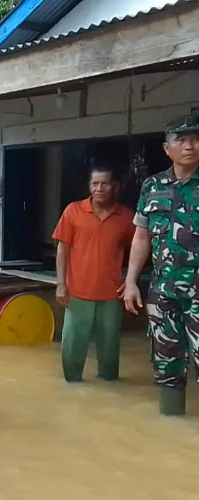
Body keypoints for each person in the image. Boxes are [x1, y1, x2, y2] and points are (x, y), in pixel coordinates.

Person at [124, 115, 199, 416]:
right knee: (166, 360)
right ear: (167, 148)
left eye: (195, 139)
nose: (189, 146)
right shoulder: (152, 186)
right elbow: (141, 237)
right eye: (181, 140)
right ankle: (172, 426)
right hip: (163, 291)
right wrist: (131, 282)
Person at [52, 165, 135, 382]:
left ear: (114, 186)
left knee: (109, 352)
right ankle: (72, 387)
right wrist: (61, 284)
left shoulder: (126, 217)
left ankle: (108, 388)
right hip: (77, 292)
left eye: (104, 183)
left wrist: (131, 280)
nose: (99, 188)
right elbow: (63, 248)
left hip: (111, 294)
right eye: (94, 183)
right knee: (72, 348)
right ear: (89, 186)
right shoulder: (73, 211)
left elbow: (140, 248)